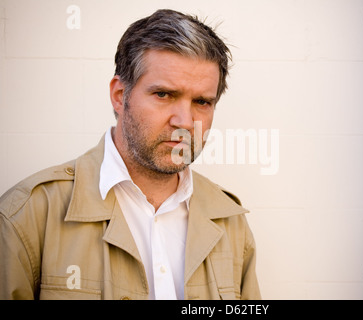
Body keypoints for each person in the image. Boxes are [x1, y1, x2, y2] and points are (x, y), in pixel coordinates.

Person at [0, 9, 260, 300]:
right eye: (164, 95)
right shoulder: (28, 215)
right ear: (119, 95)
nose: (185, 122)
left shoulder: (230, 223)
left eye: (201, 101)